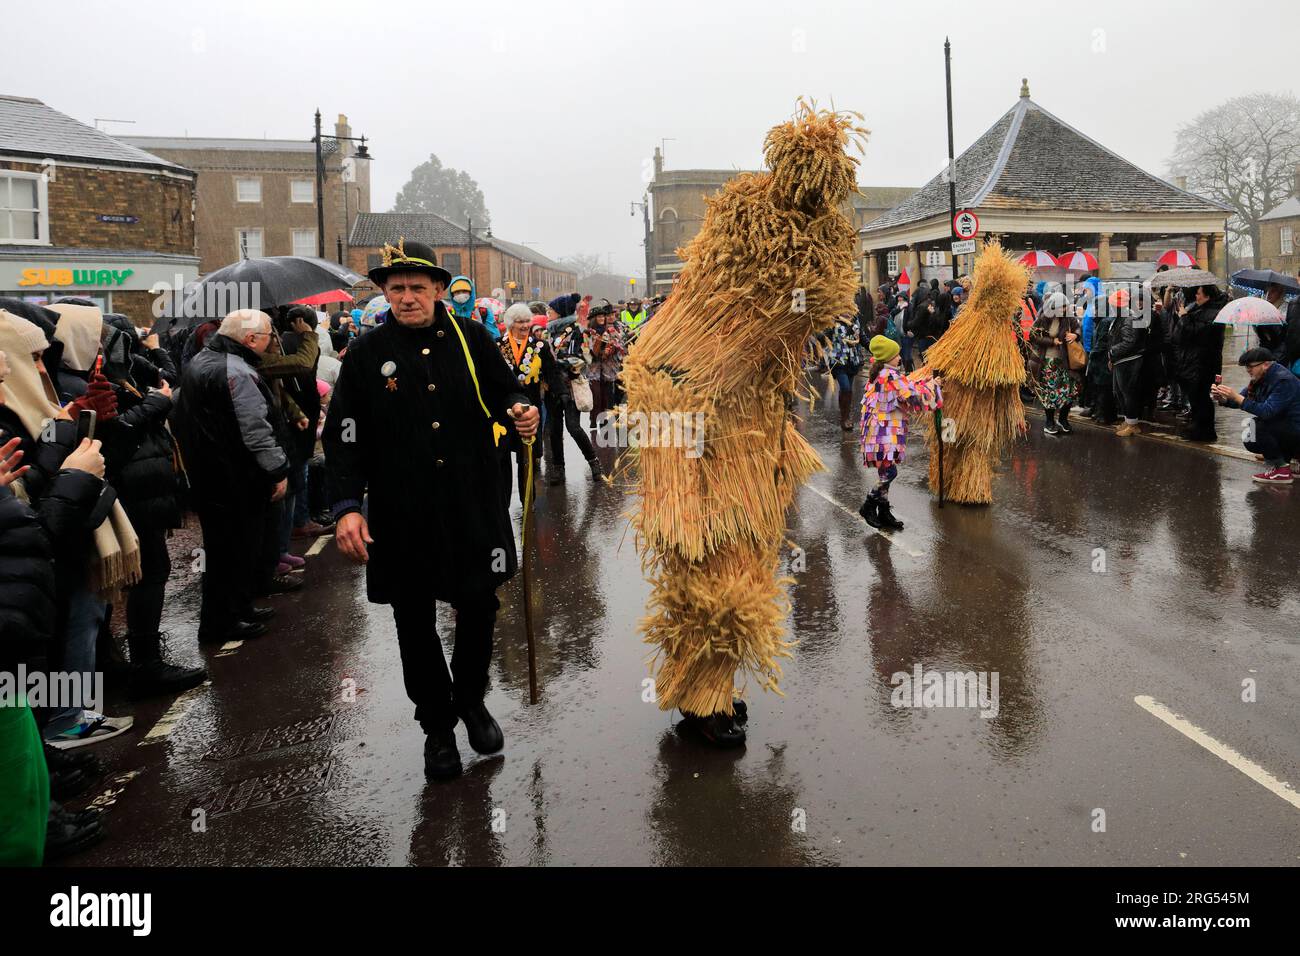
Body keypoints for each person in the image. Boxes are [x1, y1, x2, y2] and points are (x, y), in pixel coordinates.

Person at [323, 239, 540, 782]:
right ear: (385, 294)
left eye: (418, 287)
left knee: (479, 604)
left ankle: (470, 699)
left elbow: (506, 392)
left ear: (440, 290)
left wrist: (522, 410)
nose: (407, 297)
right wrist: (348, 506)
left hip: (471, 501)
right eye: (396, 288)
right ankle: (437, 729)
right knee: (413, 619)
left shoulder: (471, 340)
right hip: (402, 511)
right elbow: (344, 437)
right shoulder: (367, 354)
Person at [171, 310, 289, 645]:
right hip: (234, 478)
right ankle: (221, 622)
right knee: (232, 552)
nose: (271, 343)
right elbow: (255, 430)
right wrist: (277, 469)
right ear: (251, 339)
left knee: (232, 550)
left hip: (215, 475)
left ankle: (238, 609)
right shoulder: (235, 371)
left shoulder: (206, 360)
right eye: (268, 336)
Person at [857, 335, 940, 531]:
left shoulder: (884, 373)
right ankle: (869, 504)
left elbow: (907, 386)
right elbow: (914, 398)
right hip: (882, 430)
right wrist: (934, 386)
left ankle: (884, 510)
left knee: (885, 470)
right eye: (896, 354)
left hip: (879, 430)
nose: (899, 357)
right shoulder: (890, 376)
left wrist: (925, 381)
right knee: (890, 471)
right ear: (888, 357)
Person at [1211, 348, 1300, 484]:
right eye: (1246, 367)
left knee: (1259, 426)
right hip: (1289, 427)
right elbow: (1243, 398)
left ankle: (1281, 470)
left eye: (1250, 366)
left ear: (1265, 364)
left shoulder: (1283, 380)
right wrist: (1223, 398)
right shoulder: (1261, 377)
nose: (1248, 370)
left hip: (1295, 427)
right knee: (1250, 439)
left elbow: (1267, 411)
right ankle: (1287, 459)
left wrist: (1236, 396)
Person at [498, 302, 554, 507]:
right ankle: (502, 503)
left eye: (526, 321)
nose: (523, 326)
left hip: (530, 408)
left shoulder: (540, 346)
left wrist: (561, 393)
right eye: (519, 322)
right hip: (504, 411)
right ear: (510, 324)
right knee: (503, 457)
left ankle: (528, 500)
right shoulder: (497, 346)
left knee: (526, 457)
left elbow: (551, 373)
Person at [543, 296, 602, 485]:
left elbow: (583, 359)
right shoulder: (547, 333)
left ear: (560, 311)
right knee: (554, 429)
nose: (548, 313)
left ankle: (594, 463)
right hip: (551, 387)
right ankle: (558, 470)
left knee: (573, 427)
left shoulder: (576, 331)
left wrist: (556, 363)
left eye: (550, 310)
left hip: (570, 385)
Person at [1171, 283, 1228, 442]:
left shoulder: (1213, 314)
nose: (1196, 296)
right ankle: (1199, 429)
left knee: (1201, 398)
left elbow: (1195, 333)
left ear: (1207, 296)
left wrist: (1184, 317)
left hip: (1203, 363)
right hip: (1195, 362)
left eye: (1199, 293)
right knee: (1197, 398)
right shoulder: (1200, 310)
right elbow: (1181, 336)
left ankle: (1204, 431)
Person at [1027, 292, 1083, 436]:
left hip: (1065, 362)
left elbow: (1077, 327)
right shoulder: (1044, 319)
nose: (1064, 310)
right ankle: (1049, 422)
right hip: (1047, 362)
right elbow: (1033, 335)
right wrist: (1052, 341)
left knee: (1069, 392)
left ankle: (1063, 420)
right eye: (1061, 307)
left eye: (1065, 307)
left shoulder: (1068, 318)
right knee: (1050, 393)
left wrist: (1076, 334)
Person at [1107, 288, 1147, 437]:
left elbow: (1129, 342)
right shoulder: (1121, 318)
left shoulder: (1128, 319)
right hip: (1121, 361)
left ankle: (1132, 424)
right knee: (1120, 393)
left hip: (1129, 363)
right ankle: (1128, 420)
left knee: (1128, 393)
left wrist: (1112, 352)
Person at [826, 314, 862, 430]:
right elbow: (824, 337)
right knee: (845, 387)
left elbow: (862, 337)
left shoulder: (855, 319)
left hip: (852, 360)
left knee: (848, 390)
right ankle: (845, 418)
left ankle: (846, 415)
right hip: (839, 360)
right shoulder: (833, 320)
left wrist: (873, 348)